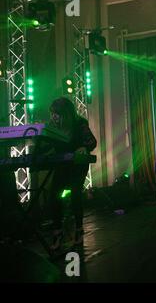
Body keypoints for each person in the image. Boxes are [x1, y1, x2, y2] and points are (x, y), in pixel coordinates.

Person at [47, 97, 97, 251]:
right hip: (62, 165)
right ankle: (57, 231)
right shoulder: (52, 128)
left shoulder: (80, 124)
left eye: (57, 113)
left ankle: (79, 229)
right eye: (52, 114)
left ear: (66, 113)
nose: (54, 117)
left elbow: (92, 142)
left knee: (76, 193)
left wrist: (83, 147)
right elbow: (46, 147)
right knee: (53, 193)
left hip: (77, 165)